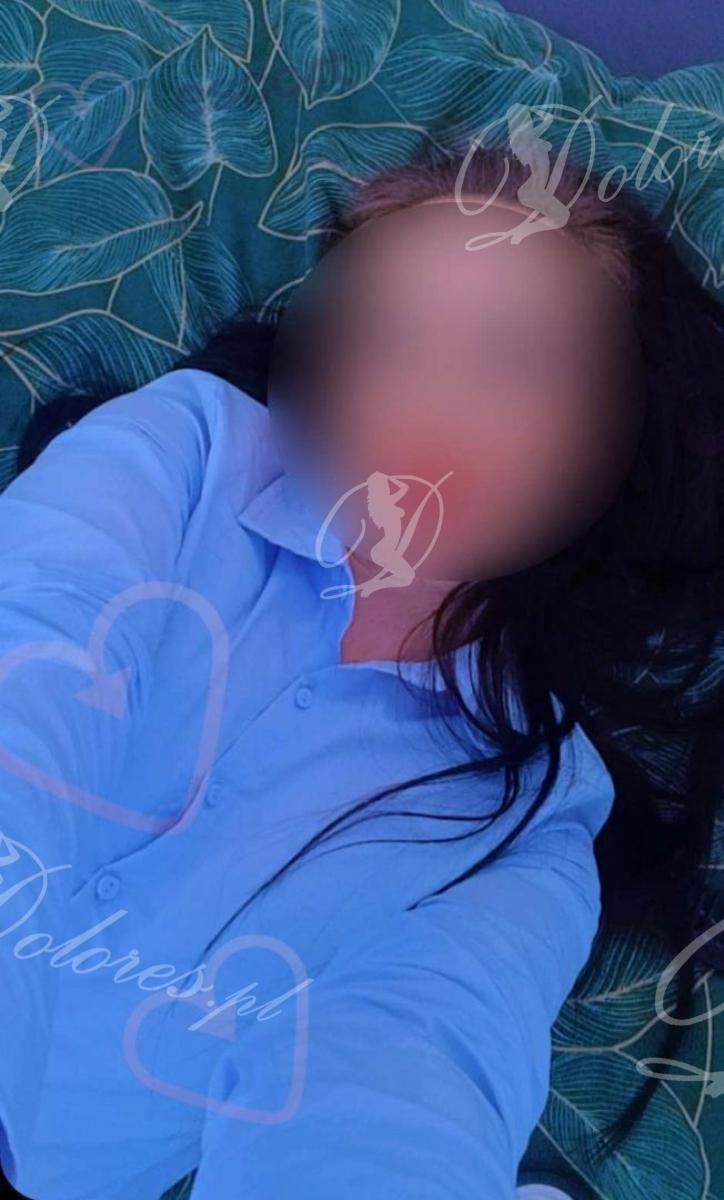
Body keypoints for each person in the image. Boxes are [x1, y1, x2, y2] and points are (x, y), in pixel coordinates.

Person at [1, 142, 723, 1200]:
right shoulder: (185, 455)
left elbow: (410, 1065)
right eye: (382, 338)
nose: (429, 402)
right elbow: (29, 647)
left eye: (513, 360)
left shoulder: (531, 816)